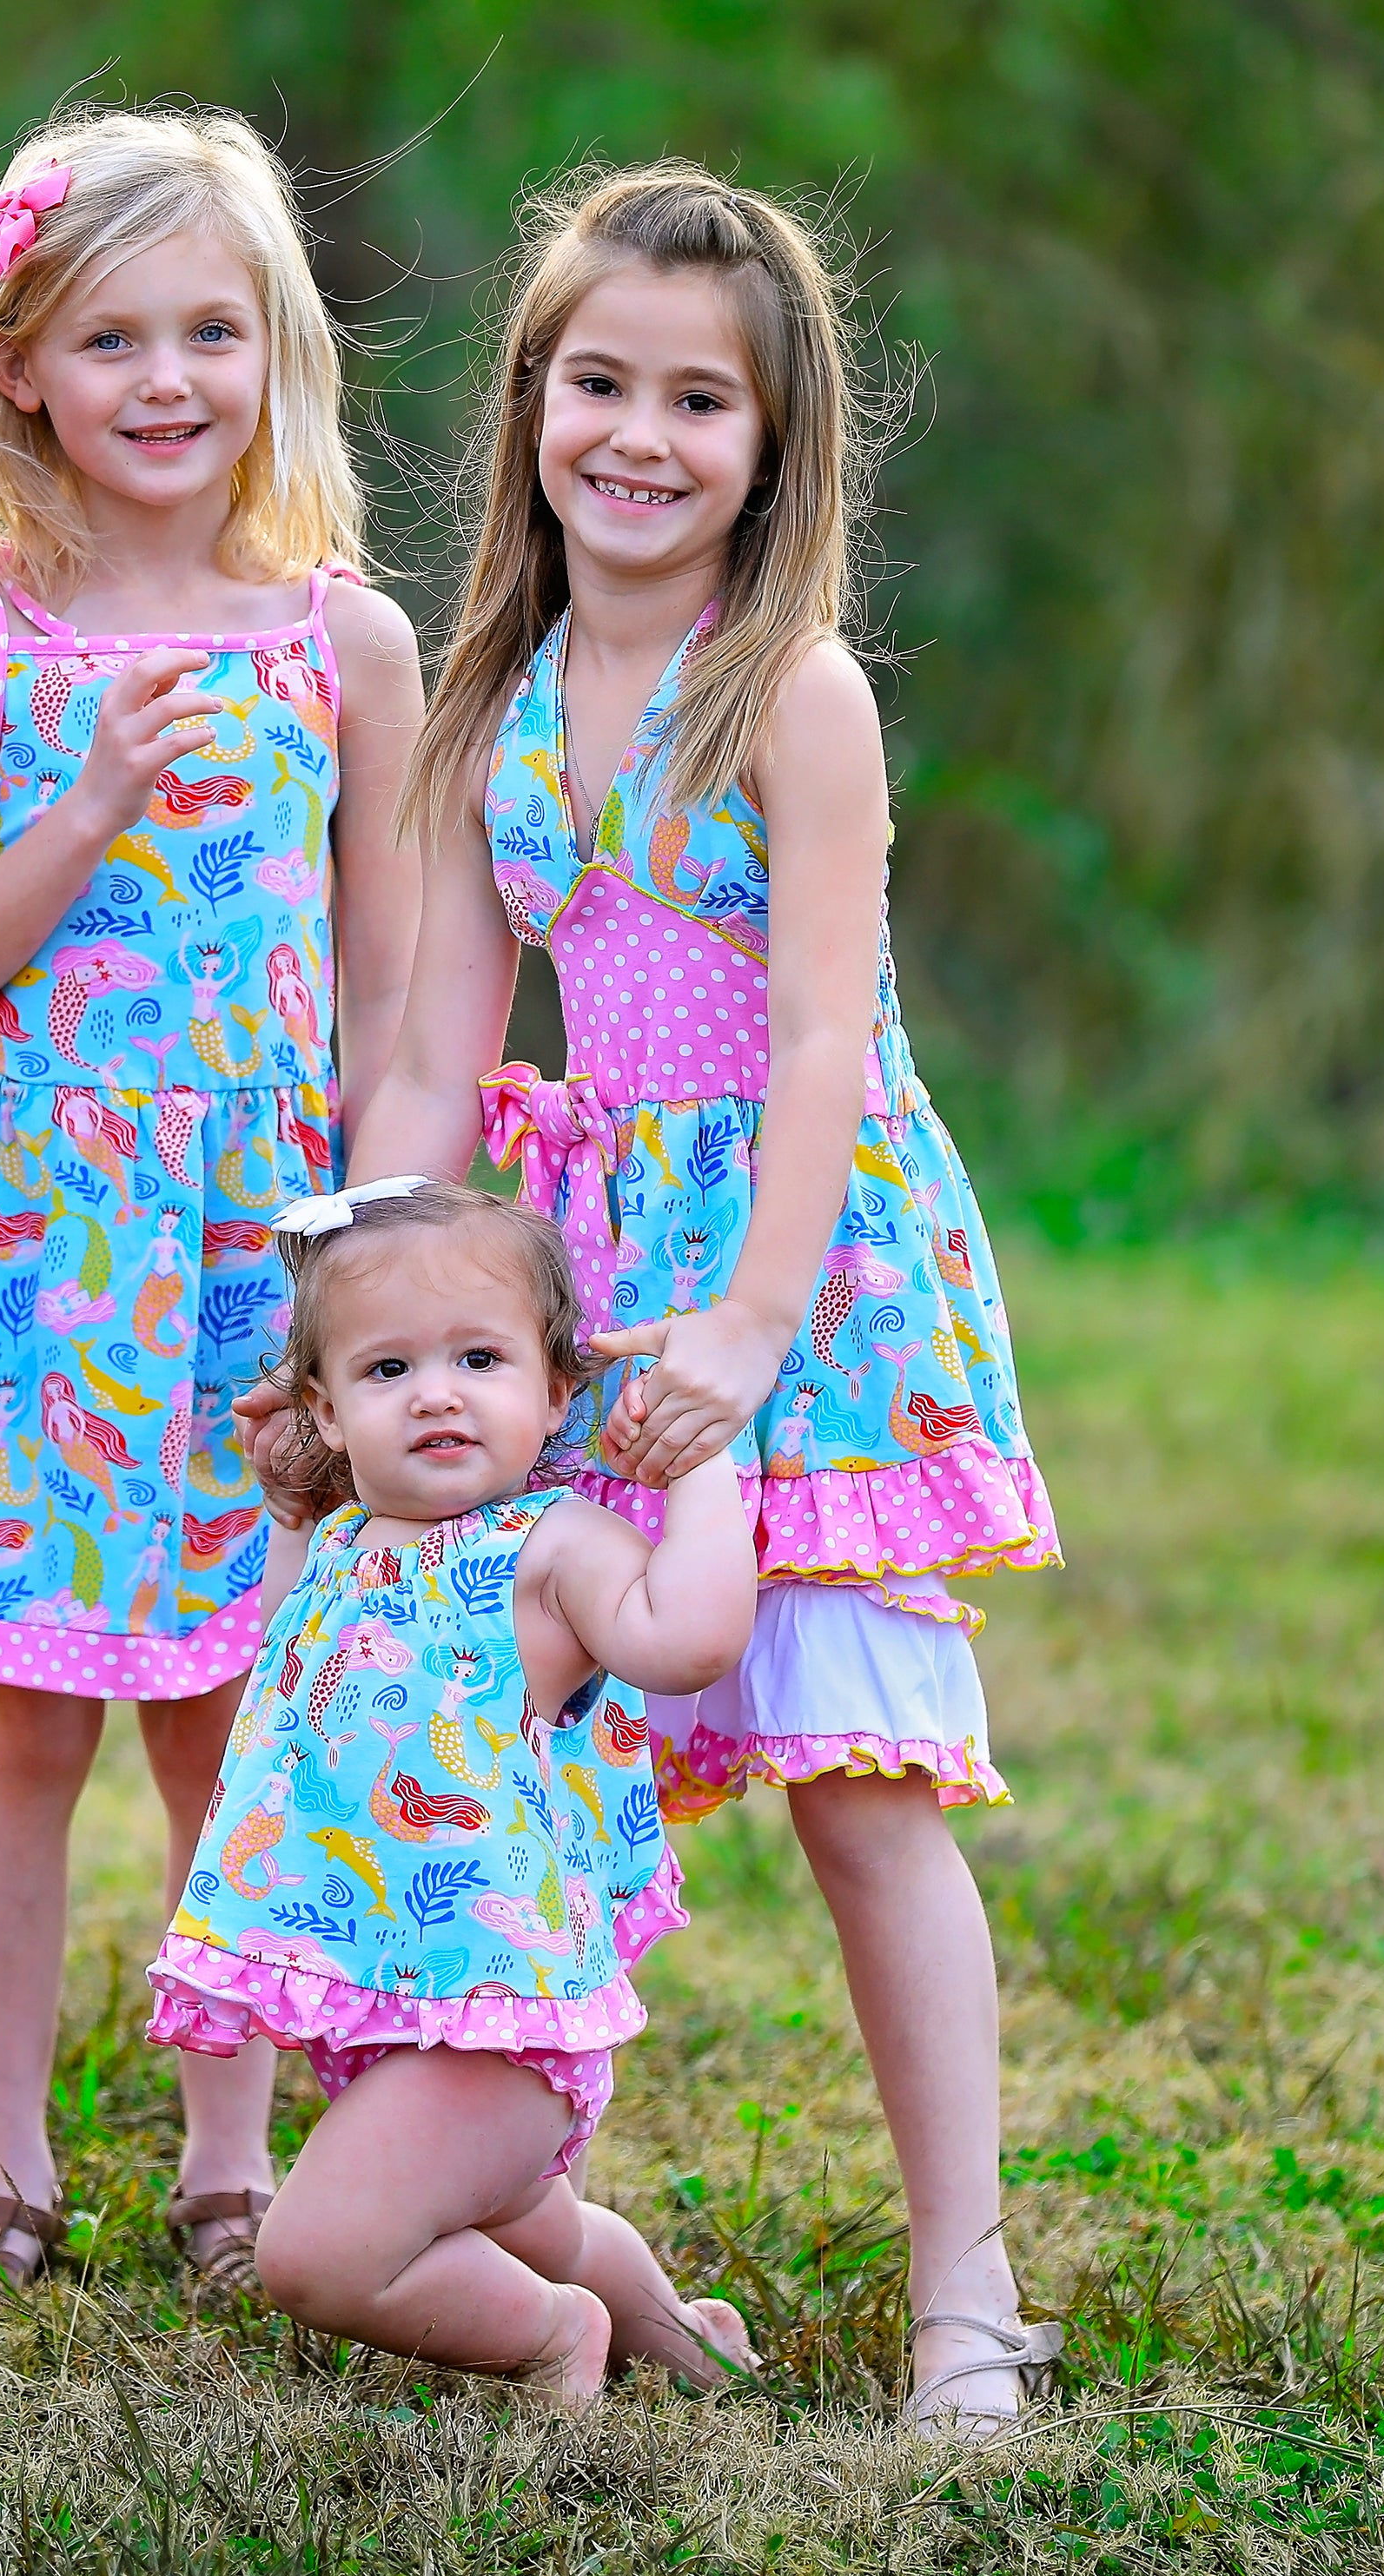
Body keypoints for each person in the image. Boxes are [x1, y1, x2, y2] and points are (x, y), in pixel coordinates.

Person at [323, 164, 1064, 2429]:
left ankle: (966, 2286)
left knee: (854, 1780)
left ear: (773, 442)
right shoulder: (490, 696)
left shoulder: (790, 691)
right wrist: (349, 1307)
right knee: (532, 1767)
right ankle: (556, 2241)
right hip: (569, 1293)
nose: (635, 436)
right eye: (594, 382)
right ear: (535, 400)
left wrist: (743, 1328)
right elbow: (436, 1062)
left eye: (695, 402)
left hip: (793, 1277)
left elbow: (827, 1033)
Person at [0, 109, 422, 2298]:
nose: (166, 381)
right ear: (21, 372)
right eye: (111, 339)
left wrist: (380, 1254)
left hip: (259, 1260)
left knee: (232, 1705)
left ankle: (226, 2167)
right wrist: (84, 811)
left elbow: (389, 985)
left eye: (211, 334)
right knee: (24, 1710)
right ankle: (4, 2180)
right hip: (32, 1241)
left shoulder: (344, 643)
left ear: (275, 356)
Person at [147, 1179, 757, 2403]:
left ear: (553, 1390)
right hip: (396, 1999)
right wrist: (285, 1504)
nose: (433, 1391)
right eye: (384, 1371)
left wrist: (699, 1461)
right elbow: (292, 1679)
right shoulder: (339, 1544)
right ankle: (687, 2345)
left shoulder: (548, 1548)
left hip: (494, 2005)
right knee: (540, 2223)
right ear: (323, 1406)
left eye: (478, 1357)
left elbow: (686, 1639)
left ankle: (550, 2337)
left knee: (314, 2255)